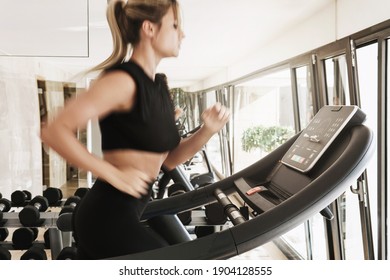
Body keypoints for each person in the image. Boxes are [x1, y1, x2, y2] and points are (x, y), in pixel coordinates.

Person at [40, 0, 230, 259]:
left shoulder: (159, 88)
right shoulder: (123, 80)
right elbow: (54, 131)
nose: (182, 33)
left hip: (130, 210)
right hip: (106, 216)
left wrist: (208, 130)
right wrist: (113, 173)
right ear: (150, 29)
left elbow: (169, 160)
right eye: (175, 25)